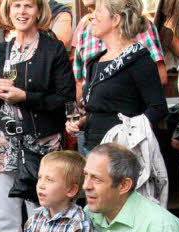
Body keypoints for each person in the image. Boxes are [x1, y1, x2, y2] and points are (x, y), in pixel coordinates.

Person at [0, 0, 74, 232]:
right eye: (16, 6)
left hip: (40, 144)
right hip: (0, 143)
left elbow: (66, 99)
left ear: (39, 11)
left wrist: (26, 97)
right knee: (4, 220)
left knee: (41, 216)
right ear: (8, 10)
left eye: (28, 6)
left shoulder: (52, 49)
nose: (21, 12)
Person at [68, 0, 167, 155]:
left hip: (122, 154)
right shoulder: (95, 61)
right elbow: (101, 111)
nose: (92, 16)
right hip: (92, 149)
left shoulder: (138, 58)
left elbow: (158, 108)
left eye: (98, 11)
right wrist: (81, 122)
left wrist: (128, 135)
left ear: (115, 20)